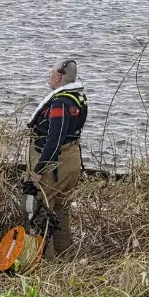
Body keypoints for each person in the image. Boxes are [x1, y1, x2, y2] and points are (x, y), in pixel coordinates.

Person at [27, 59, 88, 260]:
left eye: (51, 71)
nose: (49, 75)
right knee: (61, 212)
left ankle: (45, 262)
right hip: (72, 159)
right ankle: (66, 259)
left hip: (55, 164)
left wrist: (38, 169)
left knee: (41, 210)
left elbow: (54, 138)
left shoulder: (61, 103)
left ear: (59, 76)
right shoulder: (79, 98)